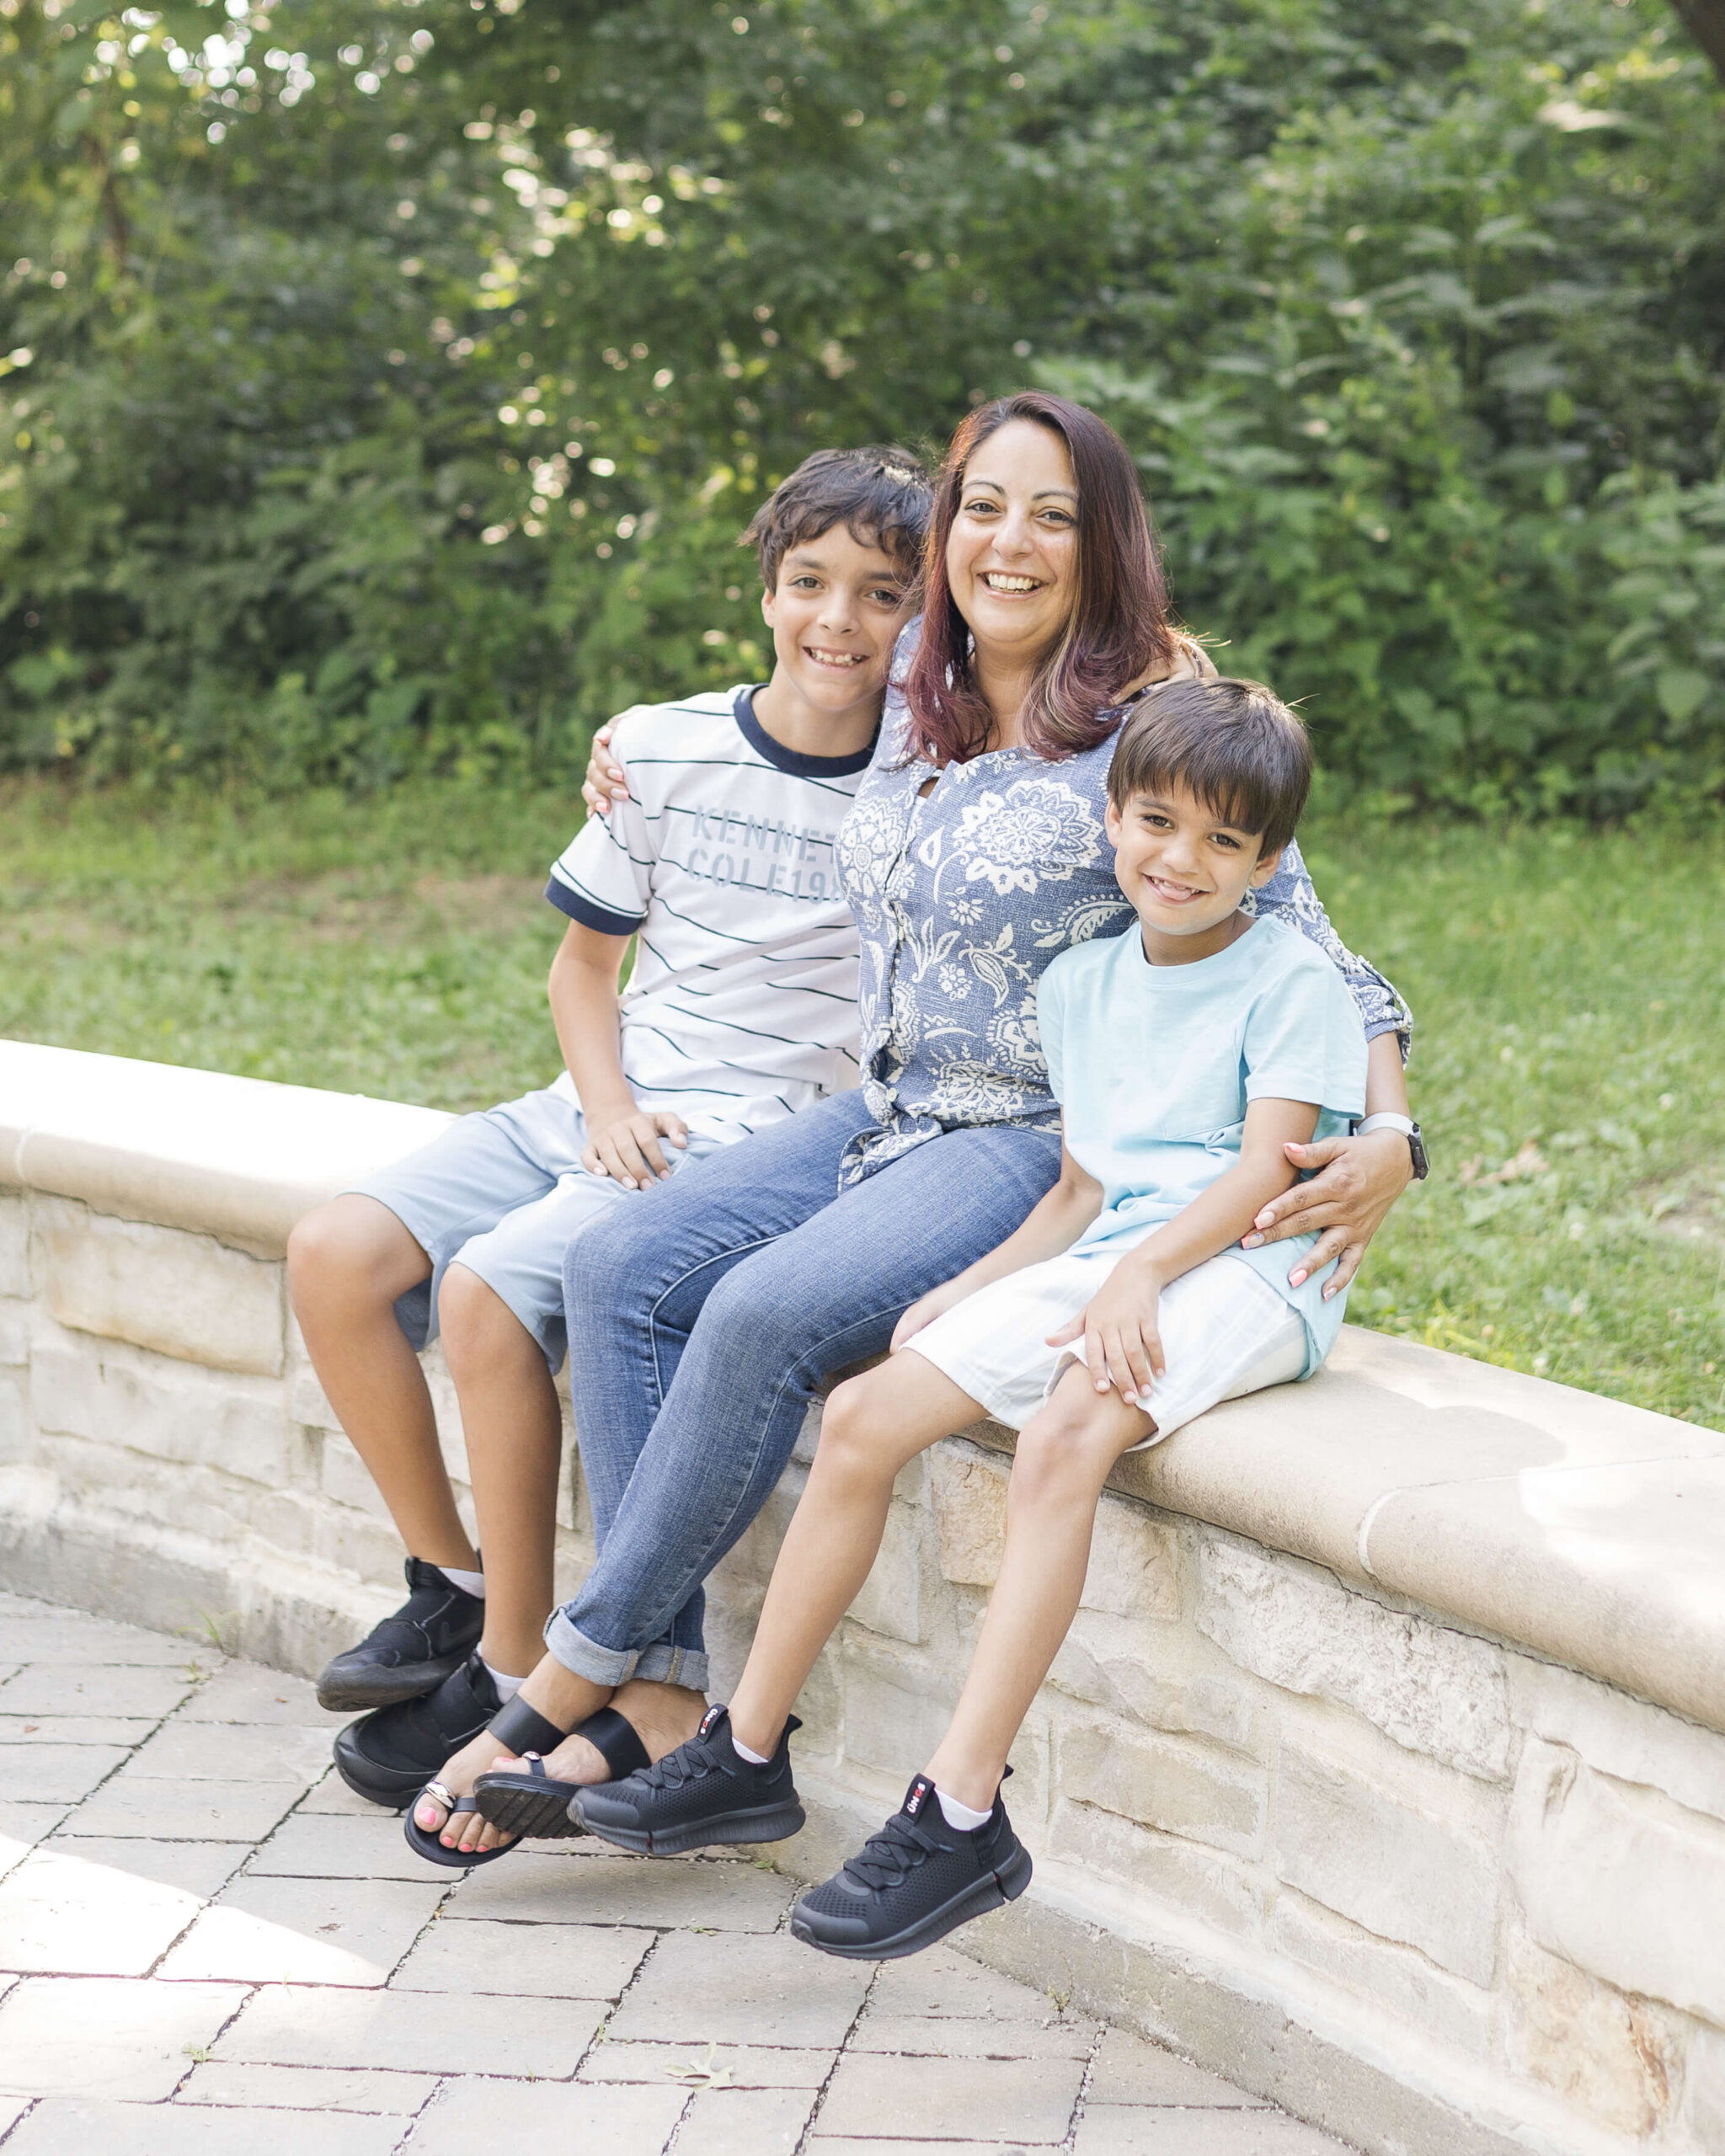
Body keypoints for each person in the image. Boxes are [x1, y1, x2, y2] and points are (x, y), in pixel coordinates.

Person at [425, 392, 1417, 1864]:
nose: (1008, 541)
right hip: (884, 1113)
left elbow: (1313, 943)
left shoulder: (1145, 728)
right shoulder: (912, 698)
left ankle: (565, 1679)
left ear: (1102, 546)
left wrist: (1391, 1127)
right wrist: (632, 751)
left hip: (1030, 1142)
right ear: (945, 527)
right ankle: (660, 1694)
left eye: (1053, 514)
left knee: (756, 1312)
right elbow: (779, 697)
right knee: (626, 1266)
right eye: (983, 507)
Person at [574, 677, 1370, 1959]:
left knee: (1066, 1436)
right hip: (1115, 1250)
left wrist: (1137, 1280)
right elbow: (1079, 1184)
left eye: (1225, 843)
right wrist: (968, 1288)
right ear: (1112, 821)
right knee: (868, 1412)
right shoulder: (1087, 984)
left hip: (1253, 1266)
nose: (1183, 861)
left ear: (1267, 862)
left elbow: (1260, 1175)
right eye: (1159, 823)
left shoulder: (1291, 983)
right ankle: (747, 1745)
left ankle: (960, 1810)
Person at [283, 446, 932, 1843]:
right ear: (764, 587)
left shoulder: (927, 776)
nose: (839, 621)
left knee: (483, 1289)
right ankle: (456, 1589)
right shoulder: (660, 743)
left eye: (884, 596)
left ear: (923, 618)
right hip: (610, 1096)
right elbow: (585, 972)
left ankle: (519, 1670)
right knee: (336, 1249)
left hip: (748, 1135)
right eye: (810, 583)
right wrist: (604, 1102)